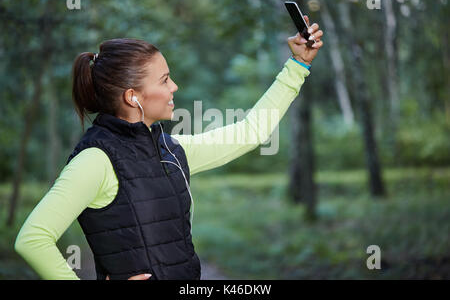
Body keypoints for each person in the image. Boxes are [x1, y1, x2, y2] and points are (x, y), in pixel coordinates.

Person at [14, 16, 324, 280]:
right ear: (132, 96)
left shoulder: (171, 150)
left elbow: (251, 132)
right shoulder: (95, 160)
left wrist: (297, 65)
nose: (173, 86)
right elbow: (33, 238)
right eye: (164, 80)